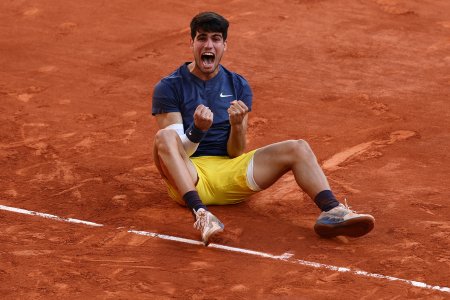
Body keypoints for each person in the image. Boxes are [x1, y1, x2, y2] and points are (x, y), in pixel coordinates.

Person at [152, 11, 375, 246]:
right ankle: (201, 214)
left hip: (229, 174)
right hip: (189, 177)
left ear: (224, 45)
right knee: (164, 136)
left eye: (216, 39)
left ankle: (333, 211)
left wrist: (237, 125)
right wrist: (197, 131)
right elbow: (177, 152)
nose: (209, 44)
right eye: (202, 38)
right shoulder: (169, 87)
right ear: (192, 43)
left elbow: (235, 153)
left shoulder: (238, 84)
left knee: (298, 148)